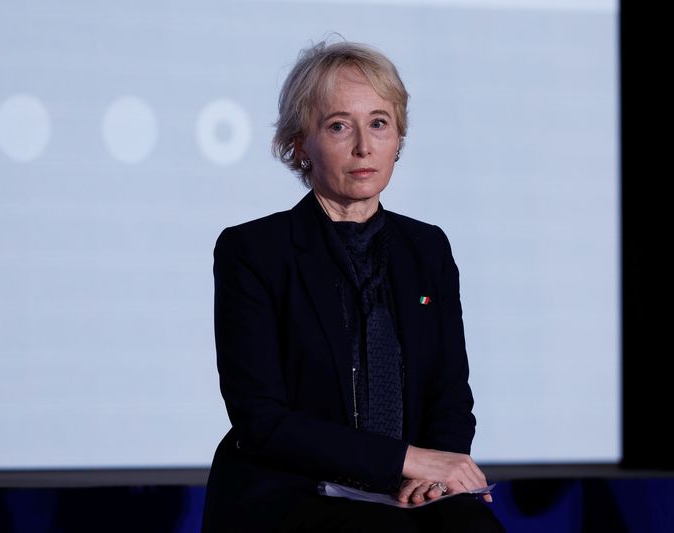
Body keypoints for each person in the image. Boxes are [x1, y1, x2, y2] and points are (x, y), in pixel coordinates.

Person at [202, 39, 505, 533]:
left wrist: (435, 475)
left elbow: (450, 395)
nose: (364, 146)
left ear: (398, 138)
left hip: (403, 492)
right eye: (339, 125)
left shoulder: (427, 248)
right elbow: (263, 420)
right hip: (295, 494)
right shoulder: (253, 251)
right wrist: (408, 460)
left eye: (379, 124)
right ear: (300, 143)